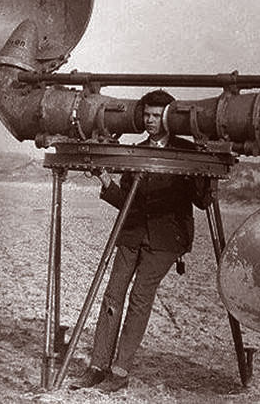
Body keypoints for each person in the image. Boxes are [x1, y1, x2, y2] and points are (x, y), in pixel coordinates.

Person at [71, 89, 213, 393]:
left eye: (156, 115)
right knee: (112, 295)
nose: (149, 120)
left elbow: (203, 201)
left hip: (166, 239)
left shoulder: (188, 150)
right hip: (132, 232)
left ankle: (120, 371)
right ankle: (97, 367)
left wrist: (206, 166)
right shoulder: (136, 151)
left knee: (139, 298)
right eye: (146, 115)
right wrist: (105, 179)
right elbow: (128, 201)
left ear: (168, 117)